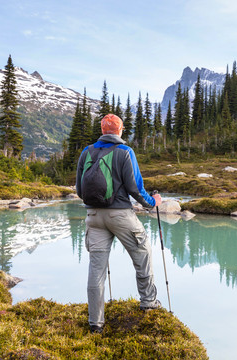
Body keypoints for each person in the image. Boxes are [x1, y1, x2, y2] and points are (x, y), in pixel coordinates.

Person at [76, 113, 162, 334]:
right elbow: (135, 188)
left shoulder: (87, 151)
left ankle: (95, 323)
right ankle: (149, 302)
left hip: (93, 217)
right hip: (121, 216)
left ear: (103, 130)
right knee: (142, 253)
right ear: (120, 130)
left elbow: (79, 190)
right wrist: (153, 202)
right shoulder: (125, 152)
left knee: (96, 269)